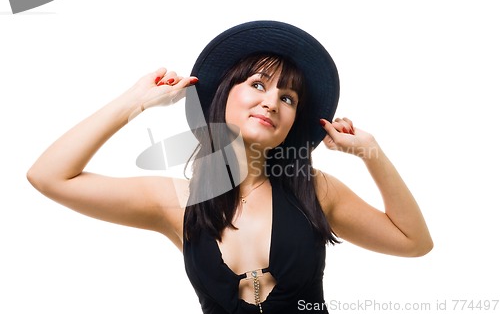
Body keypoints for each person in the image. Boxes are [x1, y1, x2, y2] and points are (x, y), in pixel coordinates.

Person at [27, 20, 433, 313]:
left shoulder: (315, 190)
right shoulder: (175, 202)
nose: (272, 102)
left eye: (288, 98)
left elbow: (414, 243)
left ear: (292, 122)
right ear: (223, 95)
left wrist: (371, 153)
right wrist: (135, 101)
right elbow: (48, 176)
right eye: (258, 85)